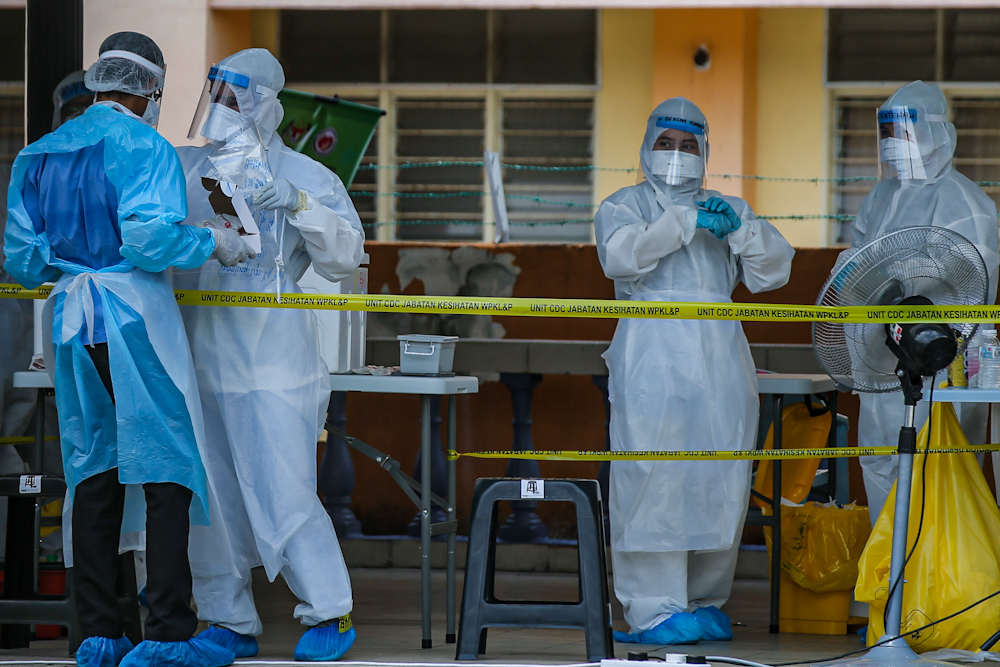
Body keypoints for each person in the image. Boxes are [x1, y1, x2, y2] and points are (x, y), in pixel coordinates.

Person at [3, 32, 253, 667]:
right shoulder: (146, 147)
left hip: (68, 322)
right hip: (134, 318)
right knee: (166, 471)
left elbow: (24, 261)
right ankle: (168, 630)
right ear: (151, 91)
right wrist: (210, 244)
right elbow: (147, 242)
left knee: (93, 471)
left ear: (97, 81)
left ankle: (99, 633)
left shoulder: (34, 155)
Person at [175, 48, 364, 662]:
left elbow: (344, 259)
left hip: (277, 360)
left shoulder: (309, 176)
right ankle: (225, 619)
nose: (223, 109)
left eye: (236, 97)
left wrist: (296, 203)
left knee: (285, 489)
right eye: (217, 95)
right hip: (203, 353)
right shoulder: (185, 170)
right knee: (211, 494)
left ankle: (329, 612)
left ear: (267, 104)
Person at [594, 97, 794, 645]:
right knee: (654, 475)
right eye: (666, 144)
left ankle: (705, 598)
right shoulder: (624, 204)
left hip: (721, 356)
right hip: (652, 357)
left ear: (705, 152)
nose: (676, 156)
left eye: (688, 146)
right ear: (646, 147)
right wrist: (681, 221)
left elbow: (774, 271)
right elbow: (621, 259)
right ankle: (654, 608)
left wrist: (742, 233)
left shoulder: (728, 208)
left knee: (720, 473)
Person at [837, 81, 1000, 524]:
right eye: (886, 133)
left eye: (903, 132)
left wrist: (898, 281)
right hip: (882, 363)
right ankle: (890, 588)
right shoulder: (881, 196)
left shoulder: (966, 204)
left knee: (937, 476)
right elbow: (858, 256)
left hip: (938, 367)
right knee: (881, 464)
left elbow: (972, 283)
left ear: (935, 133)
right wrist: (849, 271)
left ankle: (932, 591)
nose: (893, 144)